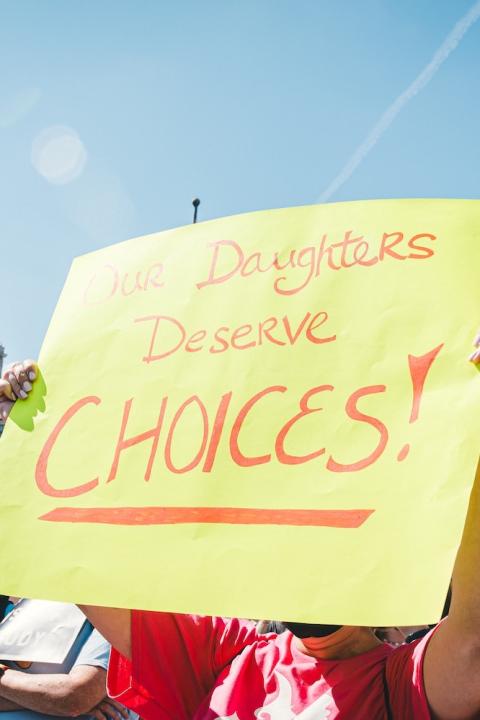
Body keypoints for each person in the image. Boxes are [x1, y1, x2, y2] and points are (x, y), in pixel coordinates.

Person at [2, 334, 480, 719]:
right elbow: (75, 562)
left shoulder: (400, 683)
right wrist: (31, 429)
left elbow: (472, 635)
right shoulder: (227, 652)